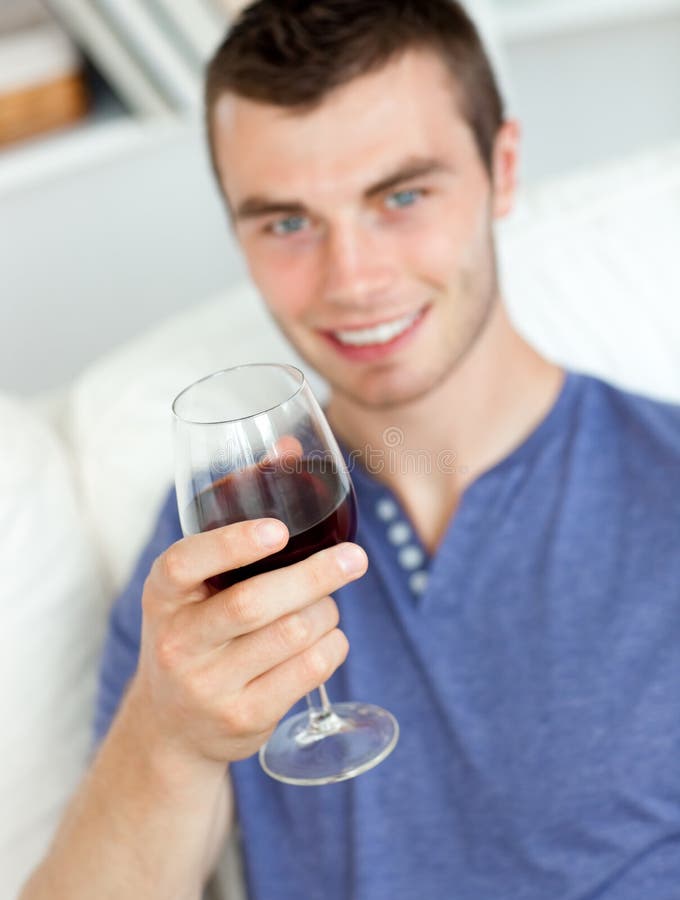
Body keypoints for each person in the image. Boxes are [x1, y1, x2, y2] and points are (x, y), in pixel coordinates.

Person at [22, 2, 680, 898]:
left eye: (401, 197)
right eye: (287, 223)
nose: (353, 280)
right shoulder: (214, 551)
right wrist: (168, 741)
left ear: (502, 171)